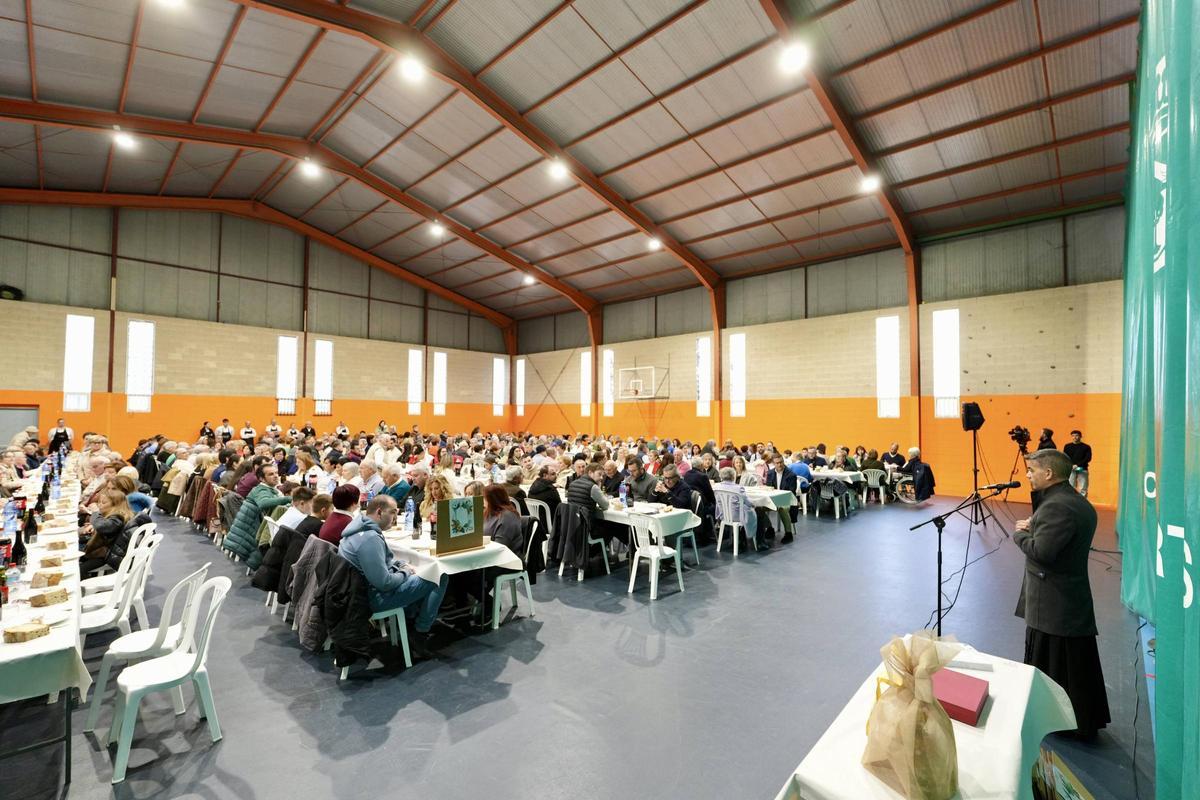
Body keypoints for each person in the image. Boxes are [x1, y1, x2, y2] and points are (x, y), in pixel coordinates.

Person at [1014, 449, 1109, 737]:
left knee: (1055, 665)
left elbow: (1042, 552)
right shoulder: (1074, 502)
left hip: (1053, 602)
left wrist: (1021, 533)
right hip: (1067, 600)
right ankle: (1076, 720)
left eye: (1032, 470)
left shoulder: (1057, 507)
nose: (1028, 475)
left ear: (1049, 473)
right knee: (1074, 666)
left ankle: (1055, 720)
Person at [338, 495, 449, 657]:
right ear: (379, 512)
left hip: (357, 593)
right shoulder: (369, 539)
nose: (396, 518)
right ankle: (420, 632)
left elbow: (386, 561)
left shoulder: (360, 528)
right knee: (440, 576)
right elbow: (384, 583)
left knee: (419, 572)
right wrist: (405, 572)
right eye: (393, 513)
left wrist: (401, 566)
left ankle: (410, 620)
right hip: (371, 600)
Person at [79, 488, 135, 577]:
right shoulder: (116, 515)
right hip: (105, 550)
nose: (99, 505)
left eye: (103, 503)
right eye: (99, 502)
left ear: (115, 505)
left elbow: (101, 526)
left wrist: (95, 512)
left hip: (109, 555)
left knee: (79, 569)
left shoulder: (118, 518)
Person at [714, 466, 762, 548]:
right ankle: (758, 540)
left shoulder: (717, 487)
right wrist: (754, 504)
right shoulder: (738, 488)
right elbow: (747, 502)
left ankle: (740, 538)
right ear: (733, 476)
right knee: (758, 511)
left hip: (723, 515)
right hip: (737, 516)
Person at [483, 484, 525, 558]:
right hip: (489, 555)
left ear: (491, 499)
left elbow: (500, 547)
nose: (483, 501)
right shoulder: (489, 513)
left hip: (506, 561)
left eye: (484, 498)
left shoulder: (507, 517)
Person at [1063, 430, 1091, 497]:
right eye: (1073, 436)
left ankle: (1082, 504)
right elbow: (1065, 457)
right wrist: (1070, 465)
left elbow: (1088, 458)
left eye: (1077, 436)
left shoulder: (1086, 447)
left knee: (1083, 488)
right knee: (1070, 487)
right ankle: (1071, 502)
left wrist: (1077, 465)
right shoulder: (1067, 446)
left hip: (1082, 469)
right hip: (1071, 469)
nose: (1075, 437)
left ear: (1080, 437)